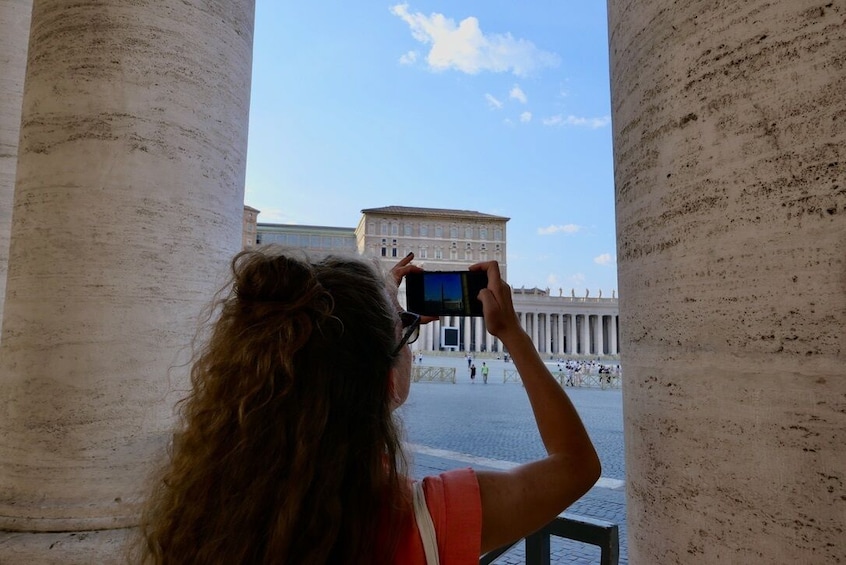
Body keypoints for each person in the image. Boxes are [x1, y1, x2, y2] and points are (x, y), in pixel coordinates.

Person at [136, 248, 600, 564]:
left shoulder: (208, 514)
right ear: (384, 383)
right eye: (405, 336)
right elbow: (576, 465)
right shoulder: (426, 521)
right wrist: (513, 335)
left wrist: (379, 315)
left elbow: (333, 378)